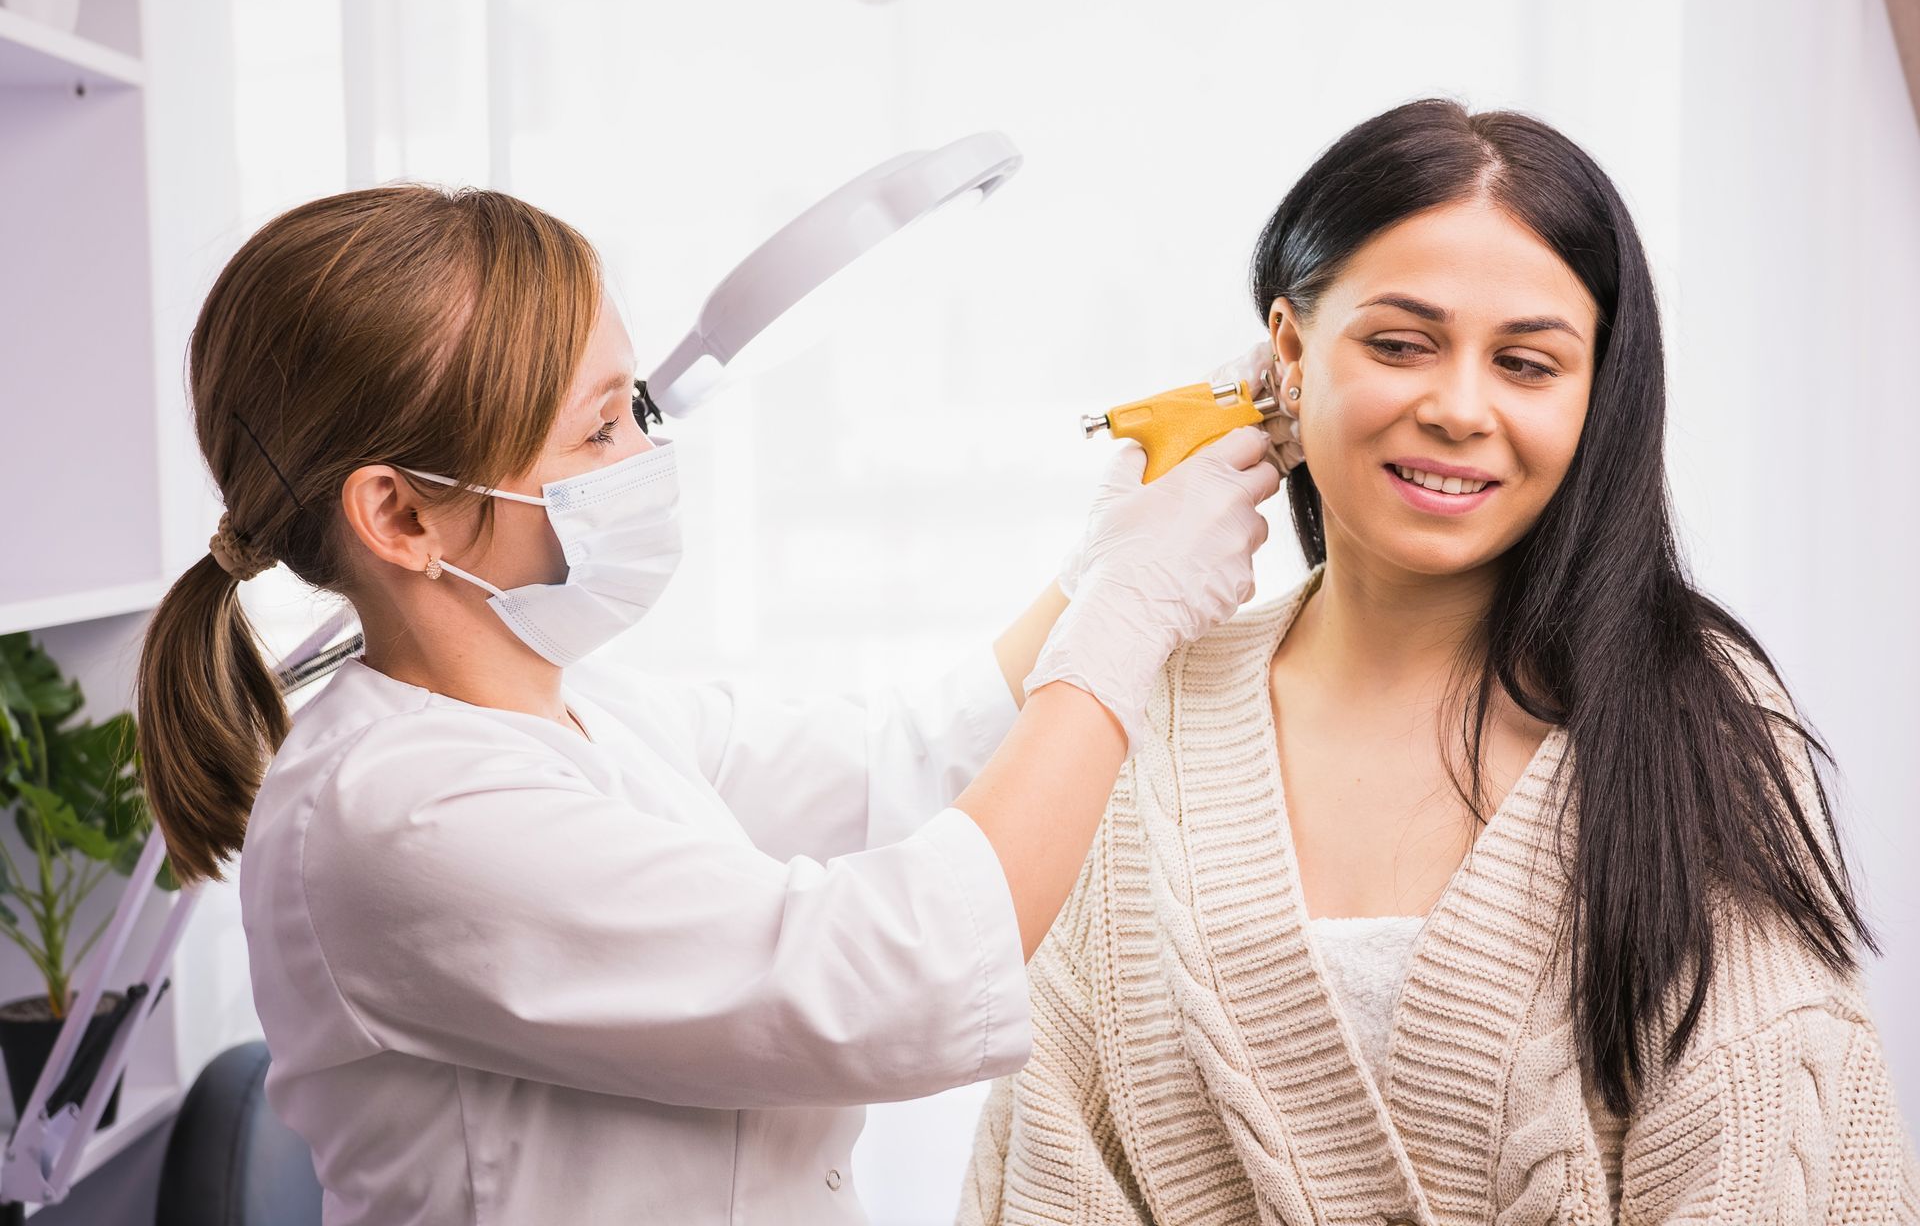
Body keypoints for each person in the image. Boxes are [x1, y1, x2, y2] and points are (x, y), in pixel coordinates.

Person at [129, 183, 1284, 1224]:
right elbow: (890, 972)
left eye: (634, 401)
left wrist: (1100, 562)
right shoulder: (399, 816)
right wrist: (1126, 621)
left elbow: (902, 762)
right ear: (401, 518)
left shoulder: (591, 716)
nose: (650, 448)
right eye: (599, 428)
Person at [958, 99, 1920, 1224]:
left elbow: (1759, 1166)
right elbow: (1051, 1164)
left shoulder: (1691, 719)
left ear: (1594, 392)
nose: (1460, 408)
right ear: (1288, 352)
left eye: (1527, 363)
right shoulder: (1141, 716)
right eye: (1400, 342)